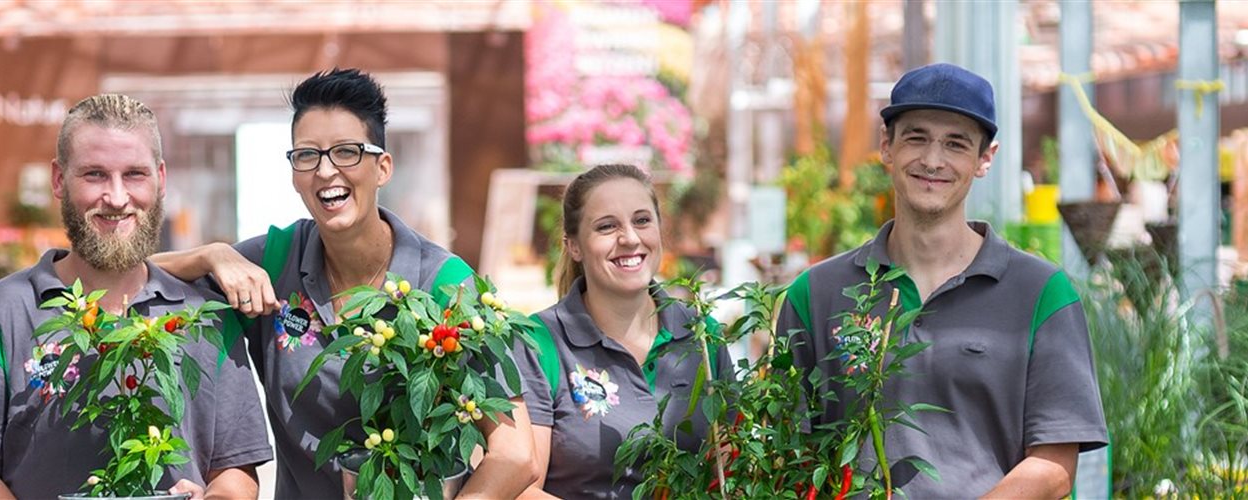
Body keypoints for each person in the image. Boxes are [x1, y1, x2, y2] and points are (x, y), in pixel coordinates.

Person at [152, 68, 538, 498]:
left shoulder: (445, 283)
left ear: (383, 167)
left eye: (346, 152)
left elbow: (515, 451)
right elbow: (138, 276)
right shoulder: (275, 260)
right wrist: (212, 254)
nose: (325, 170)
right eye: (307, 155)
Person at [776, 63, 1106, 498]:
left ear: (984, 159)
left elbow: (1054, 465)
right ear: (887, 147)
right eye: (916, 137)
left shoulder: (1043, 293)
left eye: (956, 144)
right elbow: (787, 448)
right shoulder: (815, 294)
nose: (933, 160)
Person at [0, 94, 273, 499]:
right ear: (59, 180)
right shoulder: (5, 310)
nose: (115, 197)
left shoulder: (207, 318)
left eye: (134, 174)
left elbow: (236, 468)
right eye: (94, 174)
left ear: (161, 179)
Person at [516, 164, 728, 499]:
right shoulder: (538, 342)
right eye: (606, 226)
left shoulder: (702, 336)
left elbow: (728, 467)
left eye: (642, 220)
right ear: (573, 246)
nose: (629, 238)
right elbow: (521, 488)